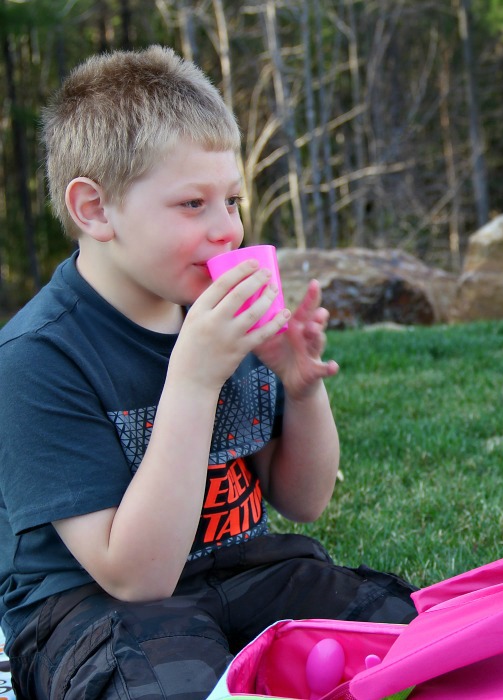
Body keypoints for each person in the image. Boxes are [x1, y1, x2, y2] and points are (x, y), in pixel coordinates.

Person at [0, 46, 417, 700]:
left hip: (241, 570)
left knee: (407, 632)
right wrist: (192, 380)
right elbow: (136, 579)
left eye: (232, 199)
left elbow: (303, 501)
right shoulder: (37, 359)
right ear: (95, 209)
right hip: (94, 612)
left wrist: (303, 390)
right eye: (193, 204)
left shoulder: (217, 310)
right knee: (167, 685)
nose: (227, 229)